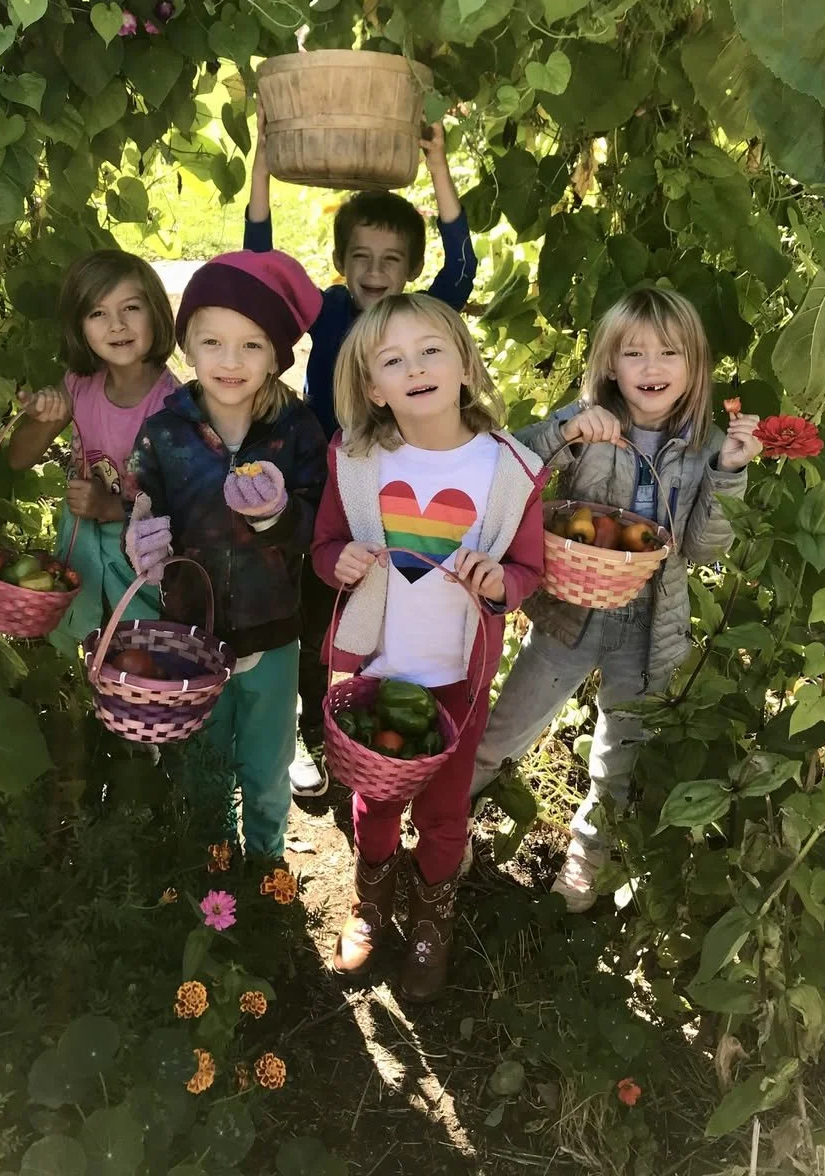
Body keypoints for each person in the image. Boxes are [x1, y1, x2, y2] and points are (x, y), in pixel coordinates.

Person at [469, 287, 763, 912]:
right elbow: (509, 465)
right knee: (507, 725)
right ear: (609, 365)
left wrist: (730, 470)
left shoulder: (705, 444)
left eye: (669, 353)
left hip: (651, 621)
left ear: (695, 366)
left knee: (619, 753)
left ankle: (589, 852)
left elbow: (707, 548)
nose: (652, 368)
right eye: (634, 353)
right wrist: (564, 431)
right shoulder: (590, 424)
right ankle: (451, 818)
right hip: (569, 613)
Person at [311, 293, 545, 1002]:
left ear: (467, 365)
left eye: (431, 350)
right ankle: (371, 901)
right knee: (375, 801)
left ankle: (431, 920)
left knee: (445, 811)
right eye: (393, 360)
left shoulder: (508, 469)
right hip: (381, 670)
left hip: (456, 677)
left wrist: (499, 580)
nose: (415, 368)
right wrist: (339, 562)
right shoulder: (357, 462)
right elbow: (325, 546)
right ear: (373, 388)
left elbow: (527, 570)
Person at [247, 114, 477, 798]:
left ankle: (385, 726)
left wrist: (438, 170)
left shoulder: (420, 320)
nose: (376, 272)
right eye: (362, 258)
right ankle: (308, 733)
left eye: (391, 260)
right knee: (315, 602)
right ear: (342, 260)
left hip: (397, 486)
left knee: (390, 605)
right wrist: (262, 169)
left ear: (409, 269)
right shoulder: (327, 311)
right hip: (324, 483)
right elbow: (260, 265)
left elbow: (462, 267)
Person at [123, 250, 328, 863]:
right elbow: (142, 497)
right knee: (204, 759)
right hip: (192, 632)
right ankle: (213, 865)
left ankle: (266, 863)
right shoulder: (165, 430)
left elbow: (319, 527)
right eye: (212, 342)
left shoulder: (298, 430)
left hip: (274, 630)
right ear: (186, 344)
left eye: (251, 346)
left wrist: (277, 516)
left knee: (268, 762)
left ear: (277, 355)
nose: (230, 362)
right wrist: (145, 539)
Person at [7, 249, 178, 653]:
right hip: (82, 552)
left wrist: (107, 508)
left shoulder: (174, 406)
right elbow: (18, 458)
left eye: (131, 308)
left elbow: (181, 509)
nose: (116, 325)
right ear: (79, 326)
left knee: (140, 661)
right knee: (94, 655)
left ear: (155, 311)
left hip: (141, 566)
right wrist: (47, 414)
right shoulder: (79, 385)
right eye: (97, 314)